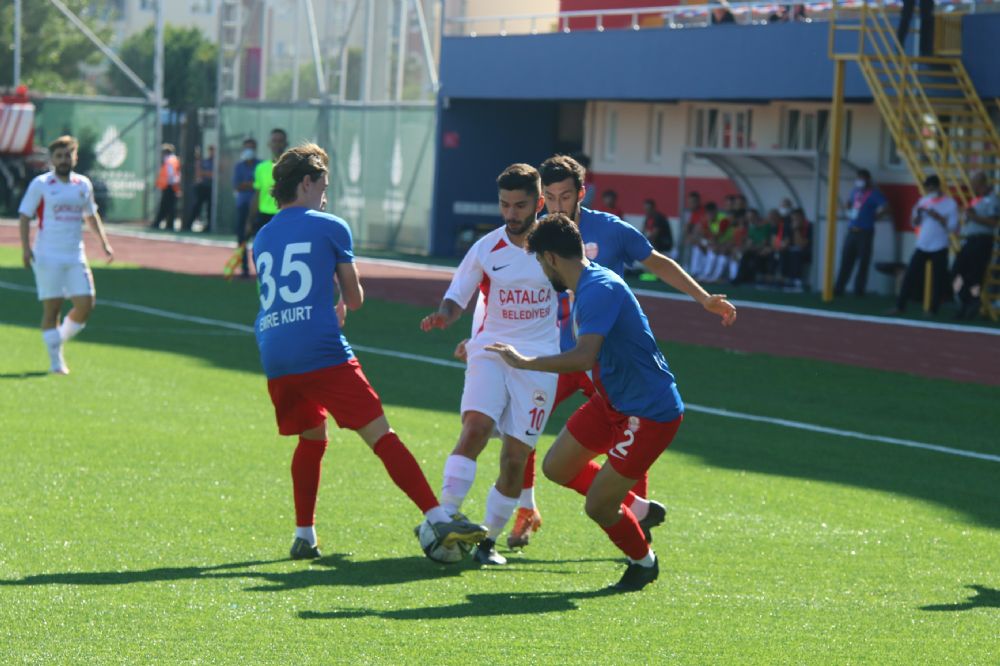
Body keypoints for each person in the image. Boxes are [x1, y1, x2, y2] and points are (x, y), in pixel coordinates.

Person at [252, 142, 486, 560]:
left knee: (311, 437)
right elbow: (355, 298)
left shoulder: (263, 235)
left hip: (274, 350)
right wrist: (341, 302)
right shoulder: (331, 225)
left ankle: (304, 535)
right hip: (319, 349)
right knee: (381, 434)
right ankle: (437, 516)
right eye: (323, 184)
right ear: (306, 182)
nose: (326, 194)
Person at [486, 213, 736, 591]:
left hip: (648, 413)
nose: (540, 269)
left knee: (599, 506)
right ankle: (641, 509)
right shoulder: (587, 282)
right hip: (613, 403)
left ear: (551, 257)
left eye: (539, 260)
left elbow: (584, 357)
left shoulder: (597, 289)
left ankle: (643, 562)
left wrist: (525, 362)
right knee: (557, 467)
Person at [420, 163, 559, 565]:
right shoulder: (487, 248)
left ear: (538, 203)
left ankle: (488, 542)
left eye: (520, 205)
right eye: (505, 205)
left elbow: (582, 292)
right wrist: (444, 315)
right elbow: (456, 295)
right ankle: (445, 516)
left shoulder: (559, 248)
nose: (511, 214)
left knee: (515, 458)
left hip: (539, 363)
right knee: (475, 428)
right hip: (490, 352)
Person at [17, 135, 114, 374]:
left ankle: (56, 340)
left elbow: (90, 216)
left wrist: (104, 243)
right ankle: (56, 361)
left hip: (74, 256)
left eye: (67, 155)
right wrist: (25, 248)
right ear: (52, 159)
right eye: (59, 156)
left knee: (86, 304)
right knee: (53, 309)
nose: (63, 160)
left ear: (75, 157)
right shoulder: (41, 184)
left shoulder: (83, 184)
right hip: (47, 255)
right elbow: (24, 216)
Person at [887, 175, 958, 316]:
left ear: (937, 187)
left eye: (930, 187)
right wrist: (918, 217)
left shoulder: (950, 204)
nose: (928, 190)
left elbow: (953, 227)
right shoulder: (923, 201)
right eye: (927, 187)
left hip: (940, 245)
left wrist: (938, 217)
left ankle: (933, 309)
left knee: (938, 279)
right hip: (923, 244)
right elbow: (914, 223)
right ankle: (900, 306)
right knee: (910, 275)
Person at [834, 169, 889, 297]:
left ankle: (859, 290)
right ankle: (839, 287)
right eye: (858, 178)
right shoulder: (855, 192)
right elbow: (850, 203)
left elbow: (886, 207)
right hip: (852, 230)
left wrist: (876, 217)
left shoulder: (874, 194)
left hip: (865, 231)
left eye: (862, 179)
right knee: (846, 259)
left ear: (868, 180)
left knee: (863, 261)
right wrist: (848, 209)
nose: (860, 181)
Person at [952, 171, 1000, 319]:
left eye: (973, 184)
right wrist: (969, 216)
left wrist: (974, 217)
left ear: (980, 184)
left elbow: (993, 222)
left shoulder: (993, 200)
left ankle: (971, 303)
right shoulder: (977, 200)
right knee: (957, 270)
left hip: (982, 241)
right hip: (970, 240)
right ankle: (965, 299)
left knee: (975, 275)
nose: (971, 186)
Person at [245, 128, 288, 244]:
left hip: (283, 215)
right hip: (263, 216)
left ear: (286, 144)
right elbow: (257, 195)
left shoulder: (291, 168)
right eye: (274, 141)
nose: (277, 144)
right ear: (269, 144)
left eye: (280, 141)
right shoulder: (261, 168)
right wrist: (250, 220)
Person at [233, 138, 261, 278]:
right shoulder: (239, 166)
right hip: (243, 206)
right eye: (246, 147)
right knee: (242, 238)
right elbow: (238, 185)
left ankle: (261, 268)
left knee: (260, 239)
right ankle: (244, 268)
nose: (249, 150)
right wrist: (253, 184)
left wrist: (249, 184)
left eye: (251, 147)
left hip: (258, 208)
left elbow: (261, 186)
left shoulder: (261, 165)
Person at [184, 145, 214, 232]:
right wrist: (208, 173)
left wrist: (206, 173)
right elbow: (199, 173)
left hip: (211, 188)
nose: (212, 152)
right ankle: (189, 225)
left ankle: (209, 226)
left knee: (210, 208)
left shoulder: (217, 161)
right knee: (197, 206)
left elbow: (216, 174)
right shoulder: (205, 161)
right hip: (203, 187)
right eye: (211, 150)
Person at [151, 143, 181, 230]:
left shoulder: (169, 160)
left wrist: (173, 185)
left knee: (165, 206)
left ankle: (158, 224)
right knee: (169, 206)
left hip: (170, 186)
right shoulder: (174, 160)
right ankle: (168, 224)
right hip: (171, 186)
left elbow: (172, 175)